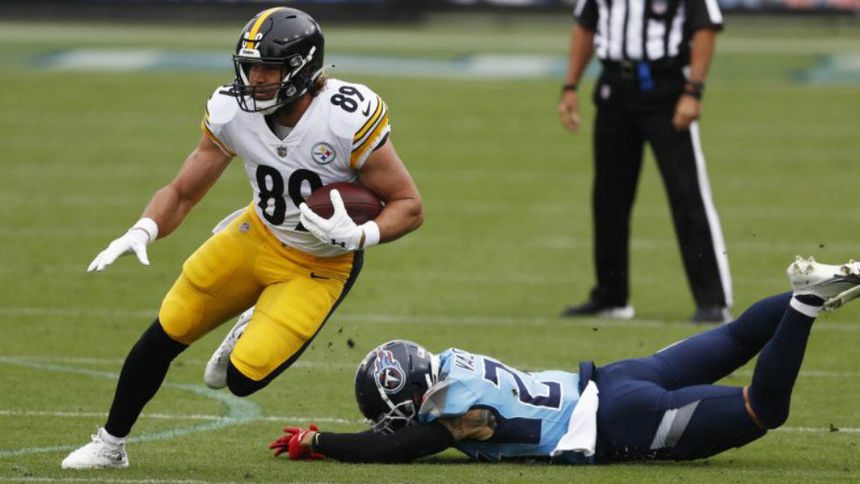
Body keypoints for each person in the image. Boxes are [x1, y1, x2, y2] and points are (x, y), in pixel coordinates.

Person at [61, 6, 423, 470]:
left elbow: (409, 205)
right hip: (256, 235)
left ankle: (250, 322)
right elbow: (182, 191)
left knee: (241, 379)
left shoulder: (345, 117)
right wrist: (143, 228)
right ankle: (110, 444)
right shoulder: (232, 109)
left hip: (321, 264)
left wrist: (360, 233)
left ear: (302, 69)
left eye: (268, 68)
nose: (255, 79)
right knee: (167, 329)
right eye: (250, 67)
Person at [270, 257, 860, 464]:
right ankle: (823, 282)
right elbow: (402, 433)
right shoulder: (451, 362)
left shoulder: (453, 410)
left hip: (617, 421)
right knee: (734, 339)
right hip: (618, 377)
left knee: (763, 409)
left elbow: (399, 447)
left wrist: (322, 442)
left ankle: (805, 300)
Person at [557, 0, 732, 323]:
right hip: (613, 86)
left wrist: (693, 91)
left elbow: (705, 26)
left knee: (687, 193)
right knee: (609, 197)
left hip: (665, 87)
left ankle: (713, 301)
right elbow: (586, 24)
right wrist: (570, 85)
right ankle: (611, 295)